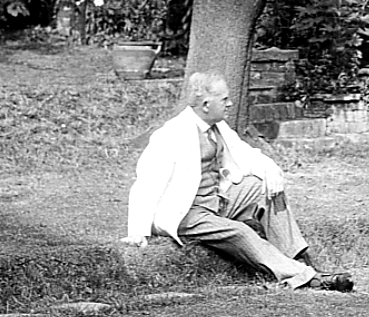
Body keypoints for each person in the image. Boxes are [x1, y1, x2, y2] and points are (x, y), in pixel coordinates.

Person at [123, 72, 353, 292]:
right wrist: (138, 230)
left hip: (215, 202)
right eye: (224, 99)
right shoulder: (171, 134)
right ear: (205, 105)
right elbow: (147, 183)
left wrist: (270, 169)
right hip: (186, 214)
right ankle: (304, 278)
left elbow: (245, 153)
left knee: (263, 187)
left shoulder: (218, 127)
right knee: (240, 231)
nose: (230, 103)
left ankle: (300, 260)